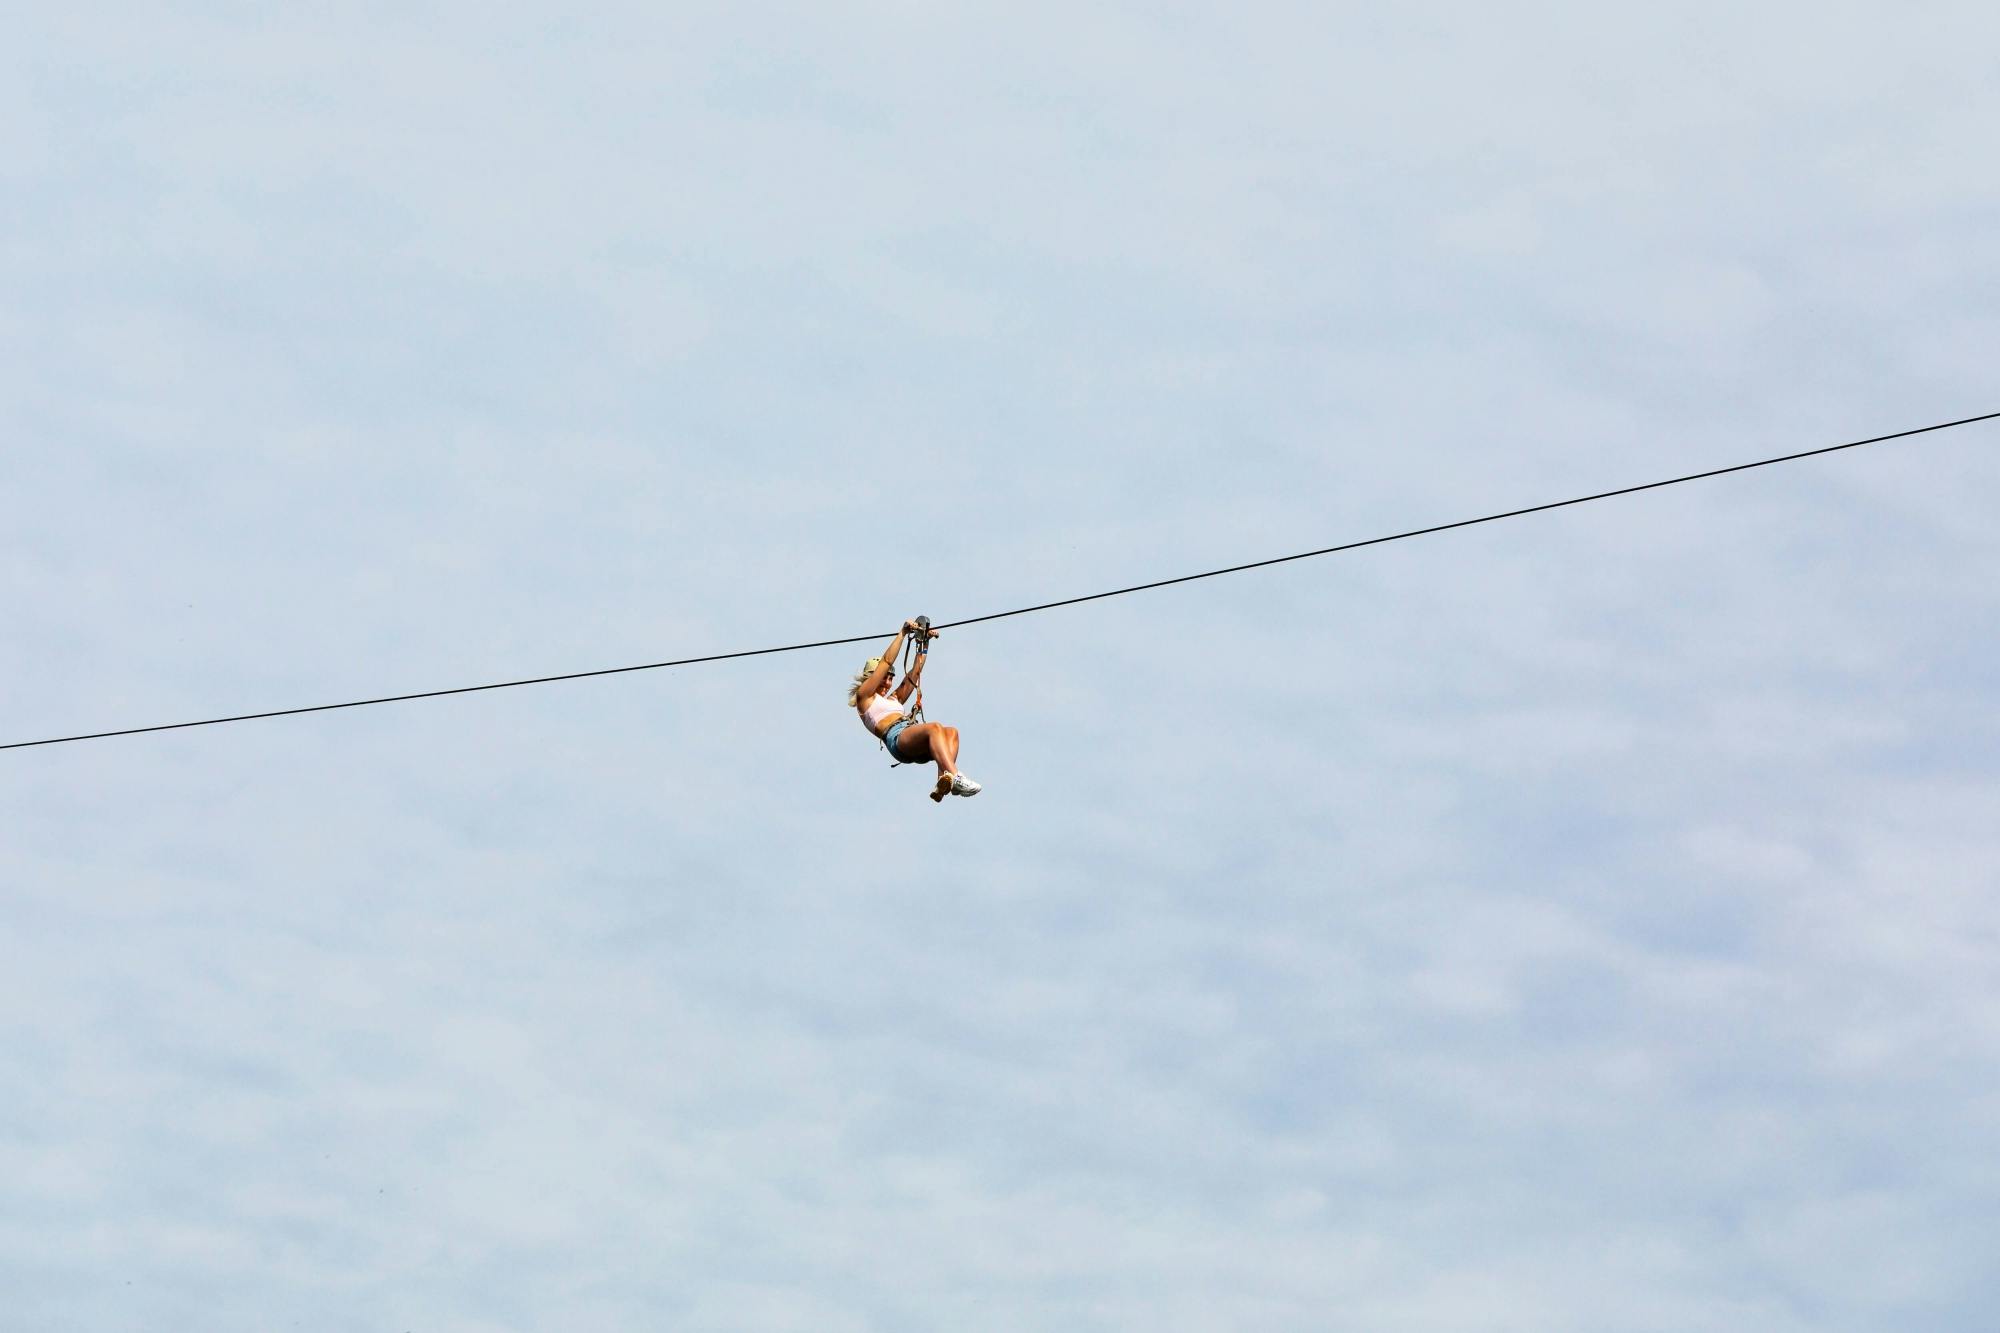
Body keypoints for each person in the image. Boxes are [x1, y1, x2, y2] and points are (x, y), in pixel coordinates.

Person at [850, 619, 982, 802]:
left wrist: (924, 643)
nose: (888, 683)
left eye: (891, 679)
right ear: (872, 677)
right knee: (934, 727)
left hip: (912, 737)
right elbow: (887, 661)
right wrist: (902, 634)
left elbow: (915, 673)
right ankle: (955, 775)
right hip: (897, 738)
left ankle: (944, 780)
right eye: (885, 678)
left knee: (951, 732)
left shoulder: (893, 699)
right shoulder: (864, 698)